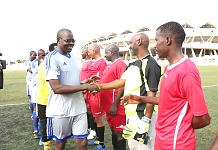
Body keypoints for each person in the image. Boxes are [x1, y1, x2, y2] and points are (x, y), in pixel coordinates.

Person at [121, 21, 211, 150]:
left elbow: (204, 118)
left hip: (176, 143)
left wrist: (180, 127)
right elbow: (168, 101)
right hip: (162, 140)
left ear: (168, 40)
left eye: (157, 40)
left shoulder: (187, 71)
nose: (155, 45)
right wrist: (140, 98)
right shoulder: (169, 67)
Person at [90, 33, 161, 150]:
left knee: (145, 148)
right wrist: (99, 87)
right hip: (130, 115)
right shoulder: (133, 64)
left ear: (139, 42)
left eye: (131, 43)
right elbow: (121, 81)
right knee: (133, 147)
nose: (129, 46)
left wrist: (146, 120)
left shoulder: (151, 64)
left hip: (142, 116)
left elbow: (151, 95)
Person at [45, 28, 97, 150]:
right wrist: (85, 86)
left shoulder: (73, 57)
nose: (72, 43)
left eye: (73, 41)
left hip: (78, 108)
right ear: (58, 40)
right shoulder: (52, 58)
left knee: (83, 143)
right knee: (61, 144)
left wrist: (85, 82)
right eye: (68, 40)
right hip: (60, 110)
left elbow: (71, 82)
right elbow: (56, 87)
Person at [99, 44, 127, 150]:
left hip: (115, 107)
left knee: (119, 133)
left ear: (112, 52)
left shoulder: (120, 64)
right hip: (108, 106)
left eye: (106, 52)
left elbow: (122, 85)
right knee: (113, 132)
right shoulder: (110, 65)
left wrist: (115, 105)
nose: (104, 55)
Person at [86, 44, 107, 150]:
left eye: (89, 50)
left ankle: (102, 144)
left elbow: (102, 79)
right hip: (90, 94)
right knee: (94, 118)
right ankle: (98, 139)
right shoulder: (94, 62)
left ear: (94, 50)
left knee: (98, 119)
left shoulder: (102, 62)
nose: (88, 52)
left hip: (96, 95)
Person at [37, 43, 57, 150]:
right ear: (49, 52)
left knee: (58, 123)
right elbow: (54, 81)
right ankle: (46, 146)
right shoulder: (44, 65)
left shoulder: (57, 63)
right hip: (44, 99)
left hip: (56, 99)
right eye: (55, 50)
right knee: (44, 122)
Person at [80, 47, 97, 140]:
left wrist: (86, 91)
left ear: (86, 53)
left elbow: (90, 78)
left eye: (82, 52)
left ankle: (93, 130)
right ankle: (89, 129)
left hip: (87, 90)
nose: (81, 54)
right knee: (86, 111)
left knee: (90, 111)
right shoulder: (84, 63)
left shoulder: (90, 63)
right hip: (83, 89)